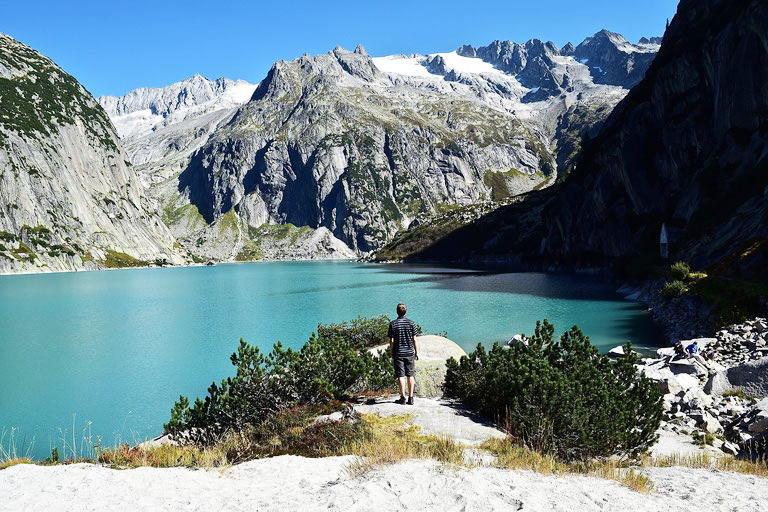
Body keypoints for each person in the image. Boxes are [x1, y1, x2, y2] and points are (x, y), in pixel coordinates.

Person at [388, 302, 419, 405]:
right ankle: (411, 398)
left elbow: (391, 341)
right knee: (410, 375)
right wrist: (416, 352)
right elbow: (414, 339)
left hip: (398, 353)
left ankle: (402, 398)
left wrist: (391, 352)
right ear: (406, 311)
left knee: (400, 375)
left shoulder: (393, 324)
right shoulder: (411, 323)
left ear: (397, 312)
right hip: (409, 352)